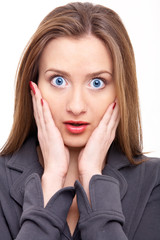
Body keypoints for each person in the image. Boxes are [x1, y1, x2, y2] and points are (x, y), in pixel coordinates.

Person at [0, 2, 160, 239]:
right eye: (58, 80)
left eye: (97, 82)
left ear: (121, 91)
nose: (76, 106)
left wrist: (93, 178)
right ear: (34, 87)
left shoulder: (153, 181)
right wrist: (52, 178)